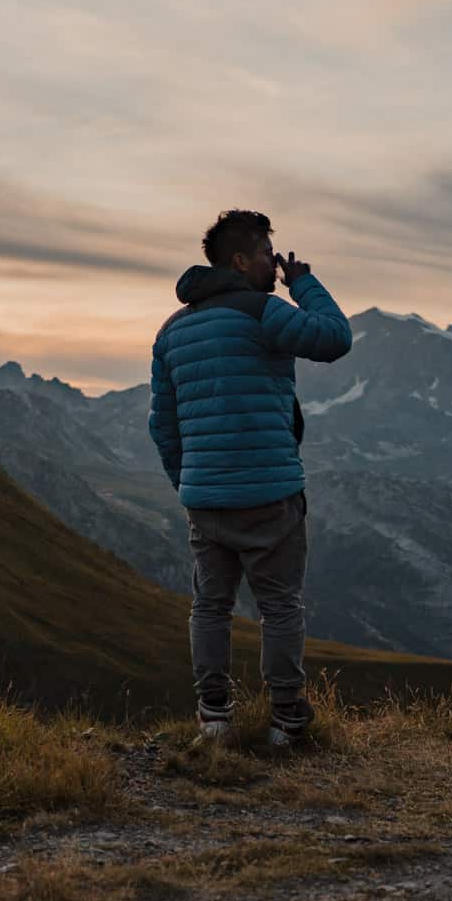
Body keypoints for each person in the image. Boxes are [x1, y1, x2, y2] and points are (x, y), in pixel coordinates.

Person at [148, 209, 352, 745]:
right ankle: (287, 721)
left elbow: (162, 424)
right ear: (240, 260)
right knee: (280, 606)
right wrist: (303, 282)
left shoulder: (172, 332)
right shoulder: (263, 312)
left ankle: (214, 719)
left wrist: (190, 482)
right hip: (270, 494)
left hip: (205, 499)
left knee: (210, 607)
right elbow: (334, 338)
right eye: (267, 252)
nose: (274, 261)